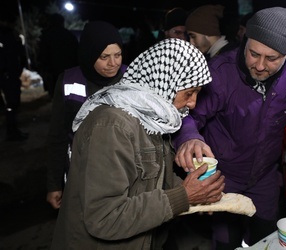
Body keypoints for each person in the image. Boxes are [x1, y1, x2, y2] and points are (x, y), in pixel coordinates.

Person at [172, 7, 286, 249]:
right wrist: (189, 137)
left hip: (265, 176)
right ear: (245, 42)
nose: (259, 66)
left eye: (271, 58)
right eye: (253, 54)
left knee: (267, 238)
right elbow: (188, 113)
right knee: (226, 241)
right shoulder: (220, 72)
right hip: (224, 176)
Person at [50, 38, 225, 249]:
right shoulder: (112, 126)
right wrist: (184, 195)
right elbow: (104, 218)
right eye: (189, 93)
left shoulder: (153, 119)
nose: (193, 103)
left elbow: (156, 181)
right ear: (166, 83)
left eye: (197, 93)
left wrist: (199, 193)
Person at [46, 21, 127, 209]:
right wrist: (54, 184)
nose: (113, 63)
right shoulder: (68, 81)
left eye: (118, 55)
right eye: (104, 57)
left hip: (123, 173)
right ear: (89, 54)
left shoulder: (133, 77)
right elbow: (57, 136)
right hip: (81, 175)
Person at [0, 12, 29, 141]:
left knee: (12, 104)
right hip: (7, 75)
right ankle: (11, 132)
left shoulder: (10, 35)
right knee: (12, 104)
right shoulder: (7, 36)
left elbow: (19, 54)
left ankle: (13, 130)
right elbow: (16, 54)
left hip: (9, 74)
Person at [37, 13, 79, 99]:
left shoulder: (46, 36)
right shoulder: (69, 35)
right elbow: (77, 52)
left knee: (57, 95)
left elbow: (43, 54)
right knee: (71, 95)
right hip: (69, 70)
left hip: (53, 72)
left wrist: (44, 68)